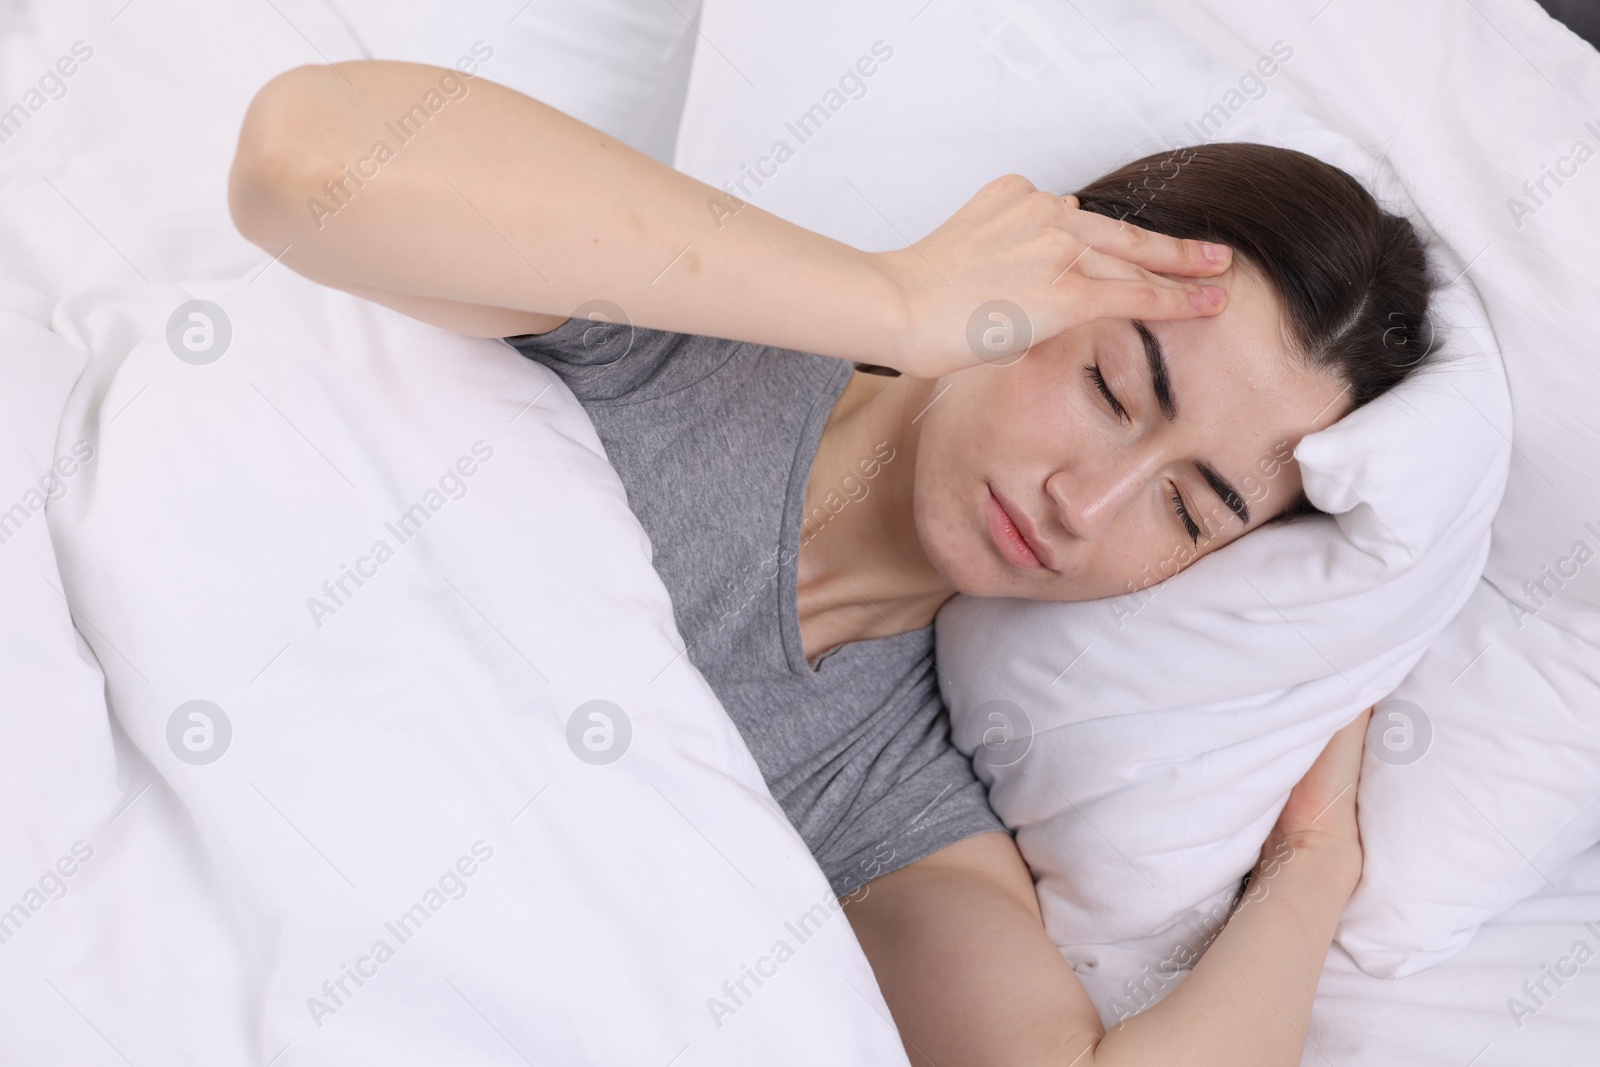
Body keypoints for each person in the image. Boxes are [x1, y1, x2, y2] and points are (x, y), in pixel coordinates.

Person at [228, 60, 1433, 1066]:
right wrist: (897, 299)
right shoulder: (696, 322)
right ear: (1041, 272)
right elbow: (302, 162)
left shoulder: (895, 792)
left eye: (1189, 509)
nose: (1085, 502)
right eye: (1111, 385)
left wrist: (1312, 867)